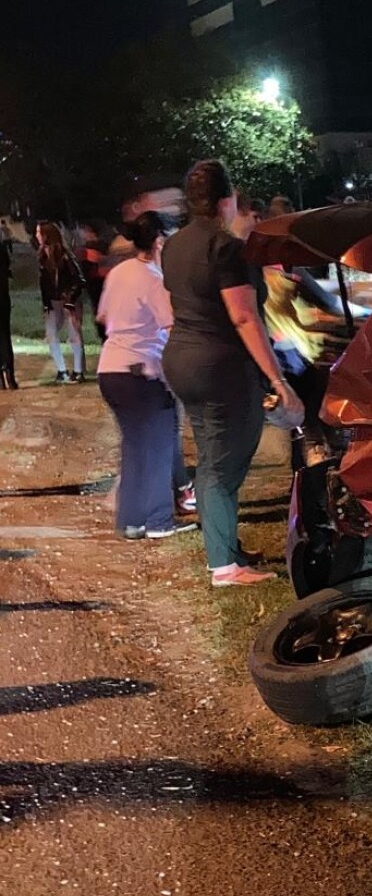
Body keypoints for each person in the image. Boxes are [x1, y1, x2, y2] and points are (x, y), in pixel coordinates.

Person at [161, 158, 304, 588]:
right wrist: (278, 381)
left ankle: (225, 548)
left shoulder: (174, 245)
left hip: (182, 359)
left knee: (210, 457)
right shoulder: (226, 248)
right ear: (226, 202)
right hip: (220, 365)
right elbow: (244, 318)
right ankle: (224, 566)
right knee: (225, 465)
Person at [96, 212, 194, 541]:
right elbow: (171, 328)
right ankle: (159, 521)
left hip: (110, 370)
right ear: (159, 241)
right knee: (159, 447)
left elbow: (103, 315)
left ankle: (132, 520)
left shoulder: (120, 272)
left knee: (135, 446)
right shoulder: (154, 280)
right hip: (141, 372)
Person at [36, 222, 86, 383]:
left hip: (68, 301)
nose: (36, 235)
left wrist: (70, 299)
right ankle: (62, 371)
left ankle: (78, 371)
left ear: (46, 235)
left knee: (74, 335)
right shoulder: (43, 255)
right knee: (51, 334)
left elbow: (78, 280)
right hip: (53, 301)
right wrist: (46, 304)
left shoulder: (64, 256)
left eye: (39, 232)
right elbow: (44, 284)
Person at [0, 222, 15, 390]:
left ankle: (1, 380)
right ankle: (10, 376)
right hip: (3, 298)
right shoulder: (2, 250)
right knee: (5, 335)